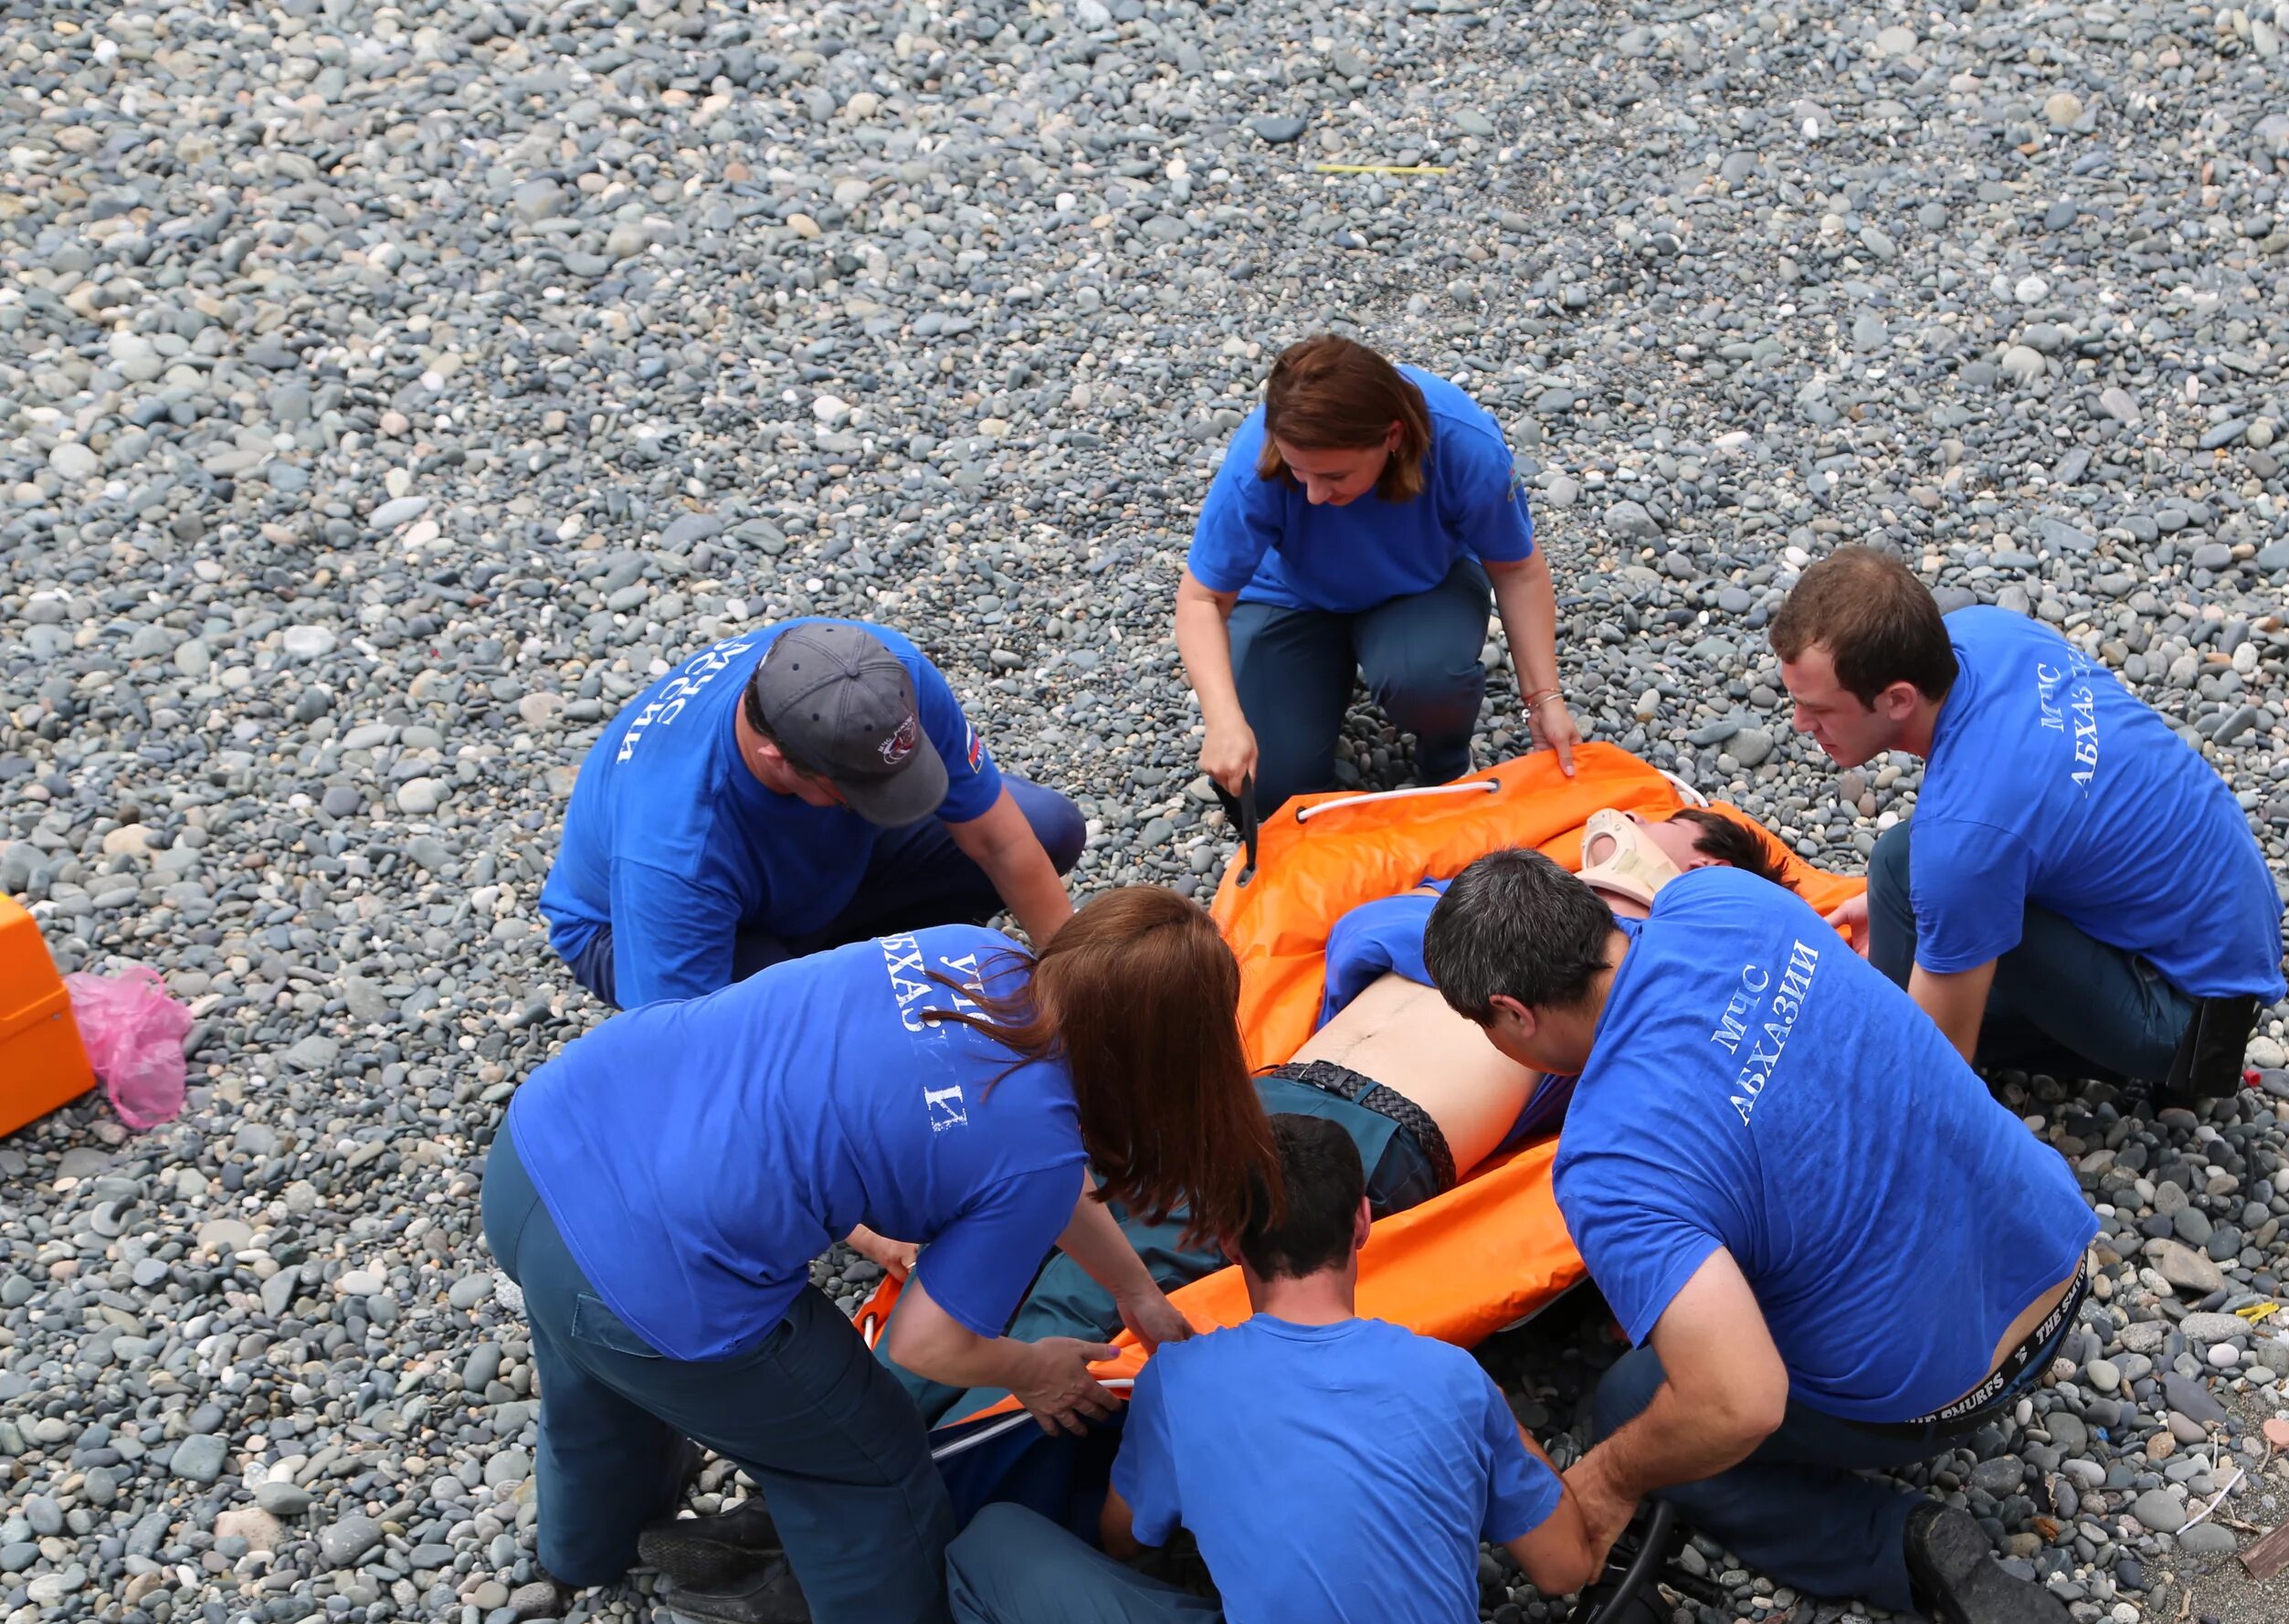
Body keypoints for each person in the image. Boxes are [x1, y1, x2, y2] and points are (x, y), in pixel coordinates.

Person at [475, 887, 1274, 1624]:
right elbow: (927, 1342)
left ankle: (584, 1550)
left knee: (589, 1369)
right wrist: (1031, 1369)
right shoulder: (1033, 1145)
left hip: (547, 1145)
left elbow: (1041, 1162)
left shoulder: (979, 952)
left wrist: (1136, 1293)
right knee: (870, 1461)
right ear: (1158, 1053)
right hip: (648, 1276)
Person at [873, 808, 1796, 1432]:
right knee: (1041, 1226)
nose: (1619, 829)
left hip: (1371, 1129)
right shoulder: (1510, 905)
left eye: (1652, 829)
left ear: (1701, 865)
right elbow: (1361, 935)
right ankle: (873, 1426)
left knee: (1109, 1270)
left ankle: (918, 1455)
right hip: (1284, 1088)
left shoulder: (1652, 963)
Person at [1422, 849, 2098, 1624]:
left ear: (1511, 1013)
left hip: (1943, 1393)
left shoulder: (1608, 1161)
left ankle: (1897, 1540)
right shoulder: (1720, 897)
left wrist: (1608, 1478)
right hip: (2058, 1260)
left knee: (1639, 1401)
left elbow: (1739, 1404)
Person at [944, 1113, 1596, 1624]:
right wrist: (1493, 1420)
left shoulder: (1182, 1383)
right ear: (1363, 1222)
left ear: (1225, 1238)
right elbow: (1566, 1566)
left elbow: (1124, 1541)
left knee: (981, 1553)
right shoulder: (1452, 1378)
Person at [1769, 546, 2284, 1095]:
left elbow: (1937, 1078)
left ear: (1898, 699)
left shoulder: (1966, 837)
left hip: (2193, 1029)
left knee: (1909, 885)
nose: (1801, 724)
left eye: (1819, 709)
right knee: (1913, 871)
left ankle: (1893, 1036)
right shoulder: (1985, 634)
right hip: (2233, 933)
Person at [540, 616, 1088, 1010]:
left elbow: (1002, 843)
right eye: (862, 790)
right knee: (826, 1037)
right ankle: (822, 978)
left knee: (1049, 829)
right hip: (642, 928)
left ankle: (833, 962)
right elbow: (676, 1059)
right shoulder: (676, 849)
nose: (895, 799)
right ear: (777, 761)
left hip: (802, 871)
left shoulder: (883, 675)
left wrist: (1081, 989)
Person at [1176, 334, 1581, 832]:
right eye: (1298, 473)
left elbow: (1516, 568)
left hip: (1421, 586)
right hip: (1290, 598)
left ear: (1392, 437)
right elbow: (1201, 598)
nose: (1314, 494)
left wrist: (1544, 700)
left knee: (1427, 680)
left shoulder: (1462, 442)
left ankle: (1447, 760)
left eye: (1334, 476)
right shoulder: (1257, 457)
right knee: (1275, 791)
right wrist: (1223, 722)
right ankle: (1316, 680)